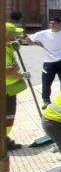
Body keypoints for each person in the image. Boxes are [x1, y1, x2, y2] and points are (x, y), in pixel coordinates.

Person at [28, 18, 61, 106]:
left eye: (54, 23)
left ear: (60, 24)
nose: (51, 25)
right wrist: (41, 45)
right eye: (50, 23)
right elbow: (29, 39)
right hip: (49, 62)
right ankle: (46, 101)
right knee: (46, 82)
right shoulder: (44, 33)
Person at [5, 22, 29, 150]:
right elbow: (7, 72)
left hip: (8, 90)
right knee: (7, 117)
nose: (16, 35)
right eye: (13, 33)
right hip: (6, 91)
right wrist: (22, 76)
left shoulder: (6, 47)